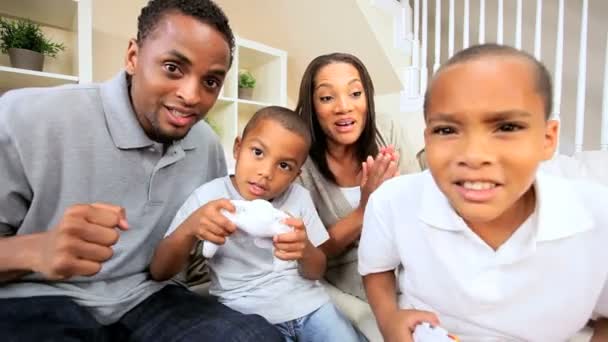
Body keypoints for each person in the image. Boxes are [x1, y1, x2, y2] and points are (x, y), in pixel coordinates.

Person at [0, 0, 282, 340]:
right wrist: (35, 250)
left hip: (148, 297)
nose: (191, 95)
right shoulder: (26, 116)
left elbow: (191, 257)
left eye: (210, 82)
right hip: (34, 300)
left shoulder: (206, 145)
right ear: (133, 57)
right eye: (173, 68)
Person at [358, 43, 608, 341]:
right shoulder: (392, 200)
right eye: (447, 130)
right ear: (428, 137)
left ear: (547, 139)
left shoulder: (597, 218)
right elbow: (376, 268)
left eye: (507, 127)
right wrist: (388, 320)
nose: (474, 155)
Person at [150, 106, 363, 341]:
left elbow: (316, 271)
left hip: (311, 308)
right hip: (247, 315)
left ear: (296, 175)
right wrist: (190, 227)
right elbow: (160, 271)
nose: (265, 172)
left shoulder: (298, 197)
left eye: (284, 166)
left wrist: (306, 251)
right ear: (238, 148)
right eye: (258, 152)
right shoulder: (208, 197)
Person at [295, 53, 421, 302]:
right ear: (312, 106)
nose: (344, 107)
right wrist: (365, 208)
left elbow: (421, 205)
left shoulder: (386, 131)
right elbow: (311, 253)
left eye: (355, 93)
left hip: (410, 271)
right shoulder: (300, 161)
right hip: (349, 285)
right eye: (327, 98)